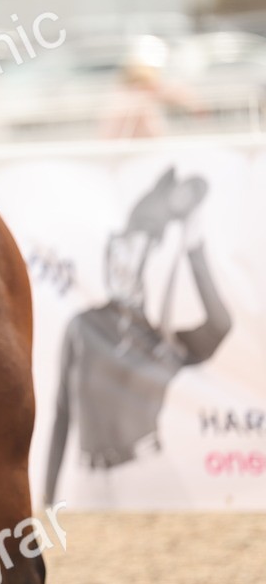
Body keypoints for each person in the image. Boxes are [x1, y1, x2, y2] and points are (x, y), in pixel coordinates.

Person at [43, 167, 232, 507]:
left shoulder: (166, 344)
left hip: (148, 480)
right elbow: (61, 415)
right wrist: (46, 498)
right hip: (88, 484)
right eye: (120, 249)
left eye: (138, 251)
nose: (124, 262)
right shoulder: (83, 326)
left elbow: (219, 325)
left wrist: (194, 247)